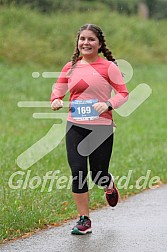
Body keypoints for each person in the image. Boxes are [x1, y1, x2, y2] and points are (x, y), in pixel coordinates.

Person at [50, 24, 129, 235]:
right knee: (78, 172)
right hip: (75, 125)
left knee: (98, 174)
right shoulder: (71, 67)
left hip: (101, 127)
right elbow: (58, 89)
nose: (86, 42)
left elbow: (123, 93)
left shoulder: (109, 67)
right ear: (78, 42)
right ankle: (84, 219)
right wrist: (56, 100)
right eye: (82, 39)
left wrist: (108, 104)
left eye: (91, 39)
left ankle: (108, 184)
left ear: (99, 44)